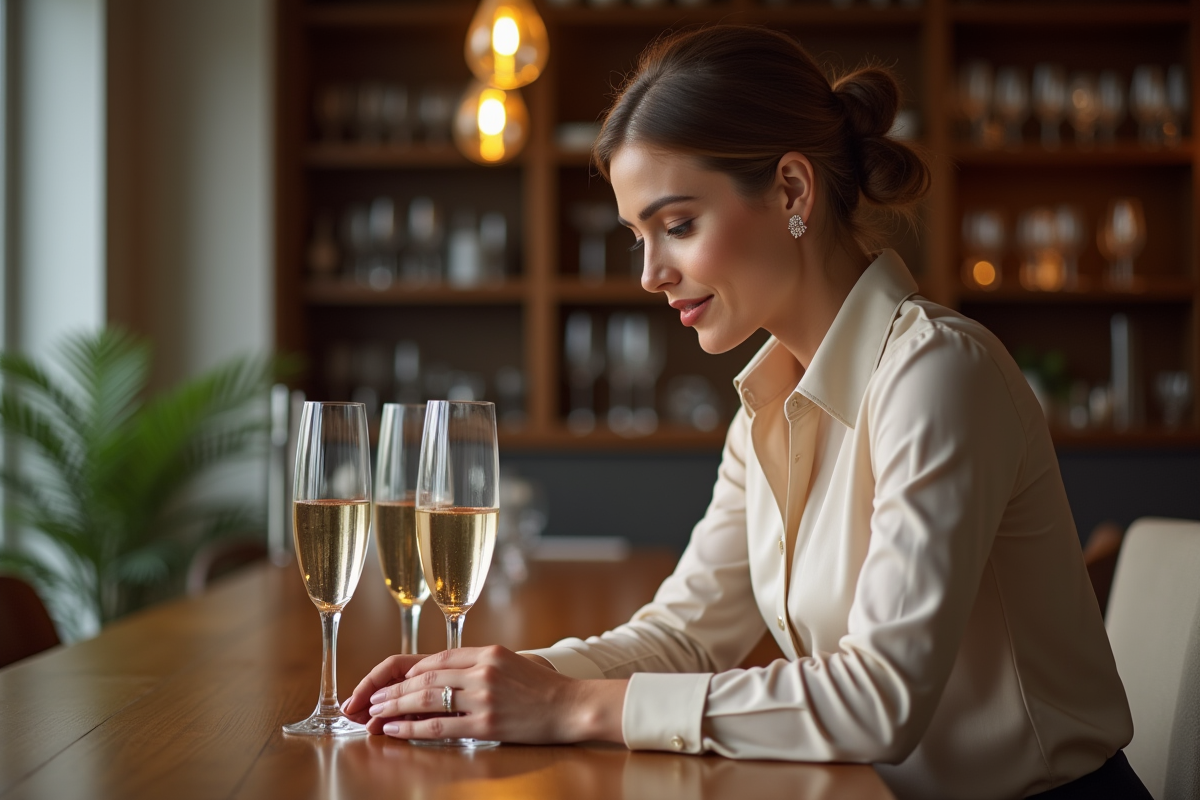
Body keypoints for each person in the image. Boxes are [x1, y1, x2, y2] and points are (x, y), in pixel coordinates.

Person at [344, 26, 1148, 800]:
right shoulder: (767, 405)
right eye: (639, 237)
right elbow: (685, 637)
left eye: (679, 225)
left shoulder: (939, 375)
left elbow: (881, 699)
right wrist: (490, 680)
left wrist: (568, 706)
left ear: (792, 189)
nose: (652, 274)